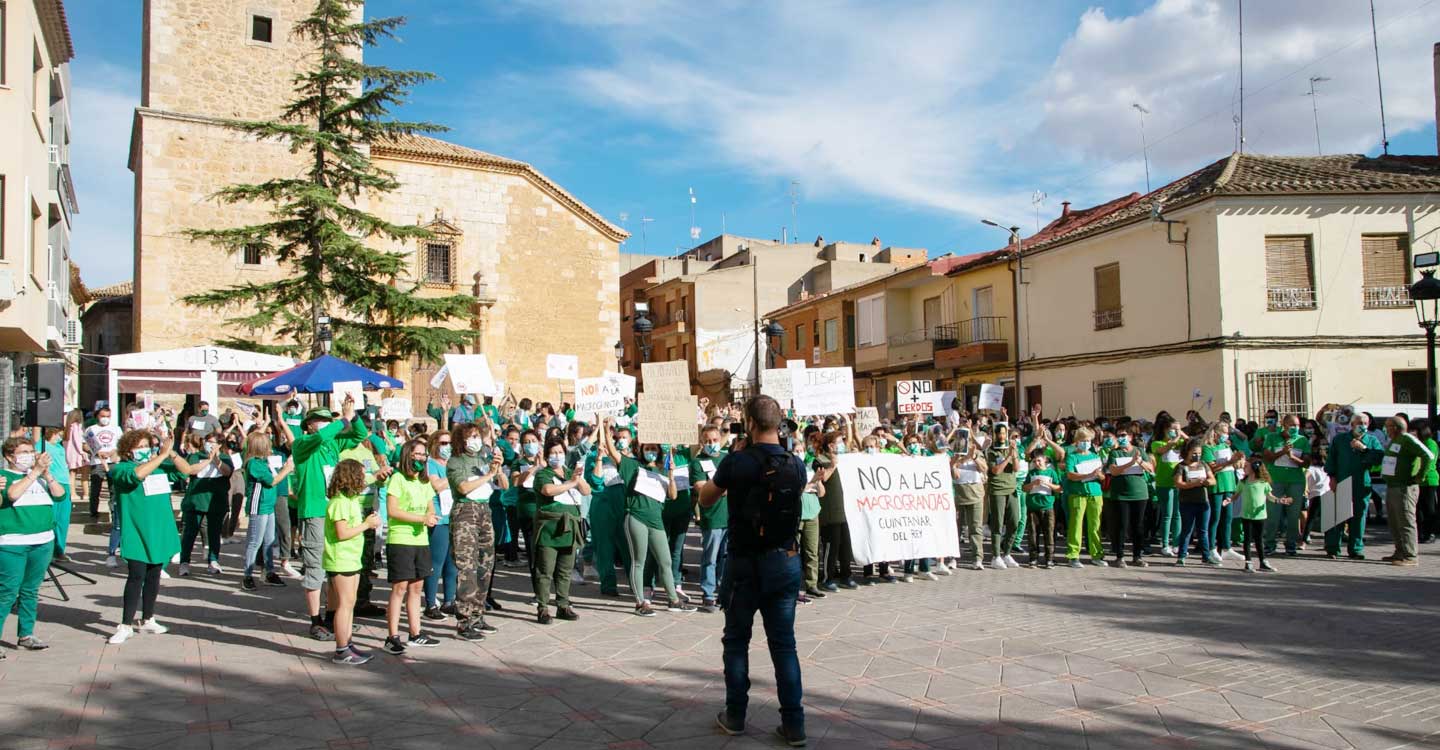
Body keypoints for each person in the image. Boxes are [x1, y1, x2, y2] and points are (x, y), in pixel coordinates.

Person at [699, 395, 806, 747]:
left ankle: (736, 715)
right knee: (784, 645)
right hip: (785, 560)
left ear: (749, 422)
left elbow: (706, 499)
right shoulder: (796, 463)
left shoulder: (736, 462)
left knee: (736, 641)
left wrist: (736, 458)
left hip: (745, 562)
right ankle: (794, 725)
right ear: (779, 424)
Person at [599, 421, 694, 616]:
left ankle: (673, 600)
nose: (651, 451)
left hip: (656, 521)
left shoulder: (661, 469)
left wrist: (670, 473)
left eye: (654, 448)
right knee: (639, 561)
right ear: (641, 449)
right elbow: (613, 452)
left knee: (665, 561)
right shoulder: (632, 465)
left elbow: (673, 495)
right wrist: (605, 428)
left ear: (658, 451)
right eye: (647, 448)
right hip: (636, 518)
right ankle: (641, 602)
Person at [291, 399, 367, 641]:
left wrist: (352, 416)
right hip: (315, 511)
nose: (326, 423)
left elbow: (360, 434)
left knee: (335, 566)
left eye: (328, 419)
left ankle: (333, 616)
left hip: (335, 509)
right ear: (310, 424)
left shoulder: (334, 442)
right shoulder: (303, 444)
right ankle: (315, 620)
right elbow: (322, 437)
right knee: (315, 566)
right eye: (321, 420)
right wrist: (341, 420)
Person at [107, 430, 184, 644]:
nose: (144, 450)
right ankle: (125, 625)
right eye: (139, 446)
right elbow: (137, 475)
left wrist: (171, 452)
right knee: (136, 576)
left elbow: (185, 472)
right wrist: (160, 456)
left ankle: (148, 618)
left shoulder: (158, 467)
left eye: (146, 445)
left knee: (154, 575)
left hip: (158, 531)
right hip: (136, 532)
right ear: (128, 450)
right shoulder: (121, 469)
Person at [1, 437, 65, 653]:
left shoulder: (39, 477)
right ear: (10, 456)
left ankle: (26, 634)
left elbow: (59, 495)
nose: (29, 455)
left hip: (42, 541)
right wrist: (35, 472)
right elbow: (12, 494)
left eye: (31, 451)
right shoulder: (5, 477)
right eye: (24, 451)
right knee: (7, 591)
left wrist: (46, 474)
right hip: (13, 543)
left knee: (30, 590)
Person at [445, 421, 504, 641]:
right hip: (465, 513)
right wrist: (489, 474)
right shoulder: (455, 462)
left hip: (484, 511)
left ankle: (479, 614)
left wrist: (498, 468)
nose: (476, 440)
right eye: (471, 436)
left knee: (485, 565)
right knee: (467, 566)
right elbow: (463, 487)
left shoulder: (484, 460)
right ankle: (464, 620)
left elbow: (504, 485)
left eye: (478, 436)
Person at [383, 438, 442, 654]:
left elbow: (429, 507)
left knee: (416, 587)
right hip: (401, 539)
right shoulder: (398, 479)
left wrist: (431, 516)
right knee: (399, 588)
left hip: (421, 540)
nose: (421, 458)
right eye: (417, 454)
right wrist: (420, 519)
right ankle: (392, 636)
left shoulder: (424, 482)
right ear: (408, 455)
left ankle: (415, 633)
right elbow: (393, 510)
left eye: (423, 454)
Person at [324, 459, 379, 665]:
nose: (364, 480)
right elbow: (342, 532)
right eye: (361, 476)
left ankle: (347, 643)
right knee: (344, 605)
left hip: (352, 558)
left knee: (350, 603)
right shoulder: (339, 502)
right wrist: (366, 524)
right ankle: (341, 649)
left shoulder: (351, 500)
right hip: (341, 559)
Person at [532, 438, 590, 623]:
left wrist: (577, 479)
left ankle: (563, 605)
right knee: (545, 570)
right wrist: (571, 483)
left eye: (560, 452)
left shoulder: (569, 472)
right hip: (550, 529)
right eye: (554, 453)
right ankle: (543, 607)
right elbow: (548, 490)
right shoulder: (544, 474)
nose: (558, 456)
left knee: (565, 570)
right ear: (547, 456)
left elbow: (587, 491)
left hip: (569, 528)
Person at [1324, 411, 1383, 560]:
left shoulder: (1372, 440)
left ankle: (1356, 548)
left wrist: (1363, 449)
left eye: (1364, 423)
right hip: (1342, 479)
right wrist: (1332, 477)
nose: (1361, 426)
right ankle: (1332, 548)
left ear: (1368, 424)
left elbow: (1378, 458)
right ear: (1352, 425)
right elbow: (1331, 459)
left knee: (1359, 516)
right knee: (1338, 515)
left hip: (1361, 482)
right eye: (1358, 423)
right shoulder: (1340, 439)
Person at [241, 431, 296, 590]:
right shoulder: (254, 464)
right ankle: (247, 575)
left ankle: (269, 572)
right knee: (255, 542)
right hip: (259, 507)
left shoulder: (264, 462)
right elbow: (272, 481)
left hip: (268, 505)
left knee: (269, 540)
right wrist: (287, 469)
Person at [175, 432, 233, 576]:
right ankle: (184, 562)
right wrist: (208, 460)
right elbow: (191, 470)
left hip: (216, 503)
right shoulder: (195, 456)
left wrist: (216, 459)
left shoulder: (225, 458)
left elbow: (227, 472)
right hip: (196, 501)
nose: (209, 444)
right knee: (190, 533)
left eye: (213, 442)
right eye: (207, 441)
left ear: (219, 444)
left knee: (213, 534)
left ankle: (213, 560)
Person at [1380, 416, 1433, 567]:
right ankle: (1399, 551)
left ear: (1395, 427)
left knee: (1406, 521)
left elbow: (1428, 455)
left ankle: (1410, 555)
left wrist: (1420, 475)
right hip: (1392, 486)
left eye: (1388, 426)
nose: (1386, 429)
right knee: (1395, 521)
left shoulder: (1407, 438)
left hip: (1405, 488)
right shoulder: (1394, 440)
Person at [691, 424, 731, 611]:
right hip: (712, 518)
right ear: (702, 442)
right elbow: (701, 487)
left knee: (726, 556)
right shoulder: (698, 462)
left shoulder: (727, 458)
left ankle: (723, 590)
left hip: (730, 517)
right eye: (707, 441)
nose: (711, 444)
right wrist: (723, 488)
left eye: (715, 440)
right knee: (710, 557)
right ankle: (708, 593)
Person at [1260, 415, 1309, 556]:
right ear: (1284, 425)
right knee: (1273, 514)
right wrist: (1283, 451)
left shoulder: (1302, 440)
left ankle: (1291, 544)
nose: (1295, 428)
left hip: (1296, 481)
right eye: (1292, 425)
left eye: (1297, 425)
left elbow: (1306, 462)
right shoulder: (1272, 437)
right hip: (1275, 480)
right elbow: (1267, 457)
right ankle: (1269, 544)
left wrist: (1292, 457)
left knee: (1293, 515)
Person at [422, 431, 457, 621]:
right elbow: (436, 485)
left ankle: (449, 600)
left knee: (452, 562)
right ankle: (430, 603)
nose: (447, 446)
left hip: (454, 515)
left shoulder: (452, 463)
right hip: (439, 516)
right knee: (437, 561)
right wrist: (456, 475)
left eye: (450, 443)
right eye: (443, 442)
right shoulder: (430, 464)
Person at [1106, 426, 1152, 567]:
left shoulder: (1140, 451)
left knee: (1138, 526)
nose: (1121, 438)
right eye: (1119, 435)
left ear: (1130, 437)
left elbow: (1150, 469)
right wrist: (1130, 463)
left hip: (1139, 494)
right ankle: (1119, 556)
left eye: (1124, 435)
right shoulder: (1115, 453)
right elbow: (1113, 471)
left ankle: (1137, 556)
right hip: (1121, 495)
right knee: (1122, 525)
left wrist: (1140, 462)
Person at [1063, 427, 1107, 569]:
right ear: (1077, 441)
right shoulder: (1072, 456)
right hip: (1078, 494)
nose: (1086, 443)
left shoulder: (1095, 456)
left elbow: (1102, 476)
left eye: (1088, 440)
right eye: (1083, 440)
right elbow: (1070, 475)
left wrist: (1099, 476)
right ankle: (1073, 555)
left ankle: (1097, 554)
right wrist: (1087, 475)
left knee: (1095, 525)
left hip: (1095, 494)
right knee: (1076, 525)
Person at [1172, 438, 1218, 566]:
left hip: (1203, 502)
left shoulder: (1203, 464)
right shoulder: (1181, 466)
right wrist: (1194, 484)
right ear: (1187, 452)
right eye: (1194, 453)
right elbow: (1178, 483)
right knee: (1186, 530)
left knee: (1203, 530)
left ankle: (1206, 556)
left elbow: (1213, 480)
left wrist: (1208, 482)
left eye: (1199, 453)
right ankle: (1181, 556)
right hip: (1187, 502)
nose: (1197, 456)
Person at [1203, 422, 1243, 562]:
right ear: (1216, 432)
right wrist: (1229, 462)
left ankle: (1226, 547)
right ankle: (1211, 548)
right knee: (1215, 518)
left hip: (1229, 484)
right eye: (1224, 432)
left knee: (1228, 517)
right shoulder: (1207, 447)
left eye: (1227, 432)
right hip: (1217, 486)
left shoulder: (1226, 445)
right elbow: (1212, 467)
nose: (1226, 435)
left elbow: (1233, 462)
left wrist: (1238, 461)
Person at [1148, 416, 1186, 557]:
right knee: (1167, 514)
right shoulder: (1157, 443)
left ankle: (1176, 543)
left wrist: (1181, 432)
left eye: (1177, 429)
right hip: (1164, 483)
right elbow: (1164, 449)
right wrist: (1175, 439)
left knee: (1178, 514)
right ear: (1165, 430)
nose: (1175, 432)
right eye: (1172, 429)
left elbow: (1193, 443)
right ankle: (1165, 544)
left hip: (1179, 482)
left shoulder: (1180, 442)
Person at [986, 424, 1022, 569]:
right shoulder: (991, 451)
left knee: (1015, 521)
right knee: (998, 524)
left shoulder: (1012, 448)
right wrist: (1007, 457)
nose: (1002, 436)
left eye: (1004, 433)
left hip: (1011, 489)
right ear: (995, 434)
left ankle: (1006, 552)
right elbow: (996, 470)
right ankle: (996, 556)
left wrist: (1013, 455)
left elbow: (1016, 468)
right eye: (999, 433)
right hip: (997, 490)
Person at [951, 427, 987, 571]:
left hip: (976, 493)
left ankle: (977, 558)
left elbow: (984, 469)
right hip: (959, 494)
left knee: (975, 527)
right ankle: (953, 558)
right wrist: (964, 458)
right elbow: (954, 474)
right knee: (956, 528)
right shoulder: (953, 455)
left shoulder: (977, 453)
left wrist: (974, 457)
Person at [36, 426, 73, 561]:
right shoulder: (41, 444)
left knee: (63, 519)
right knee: (53, 518)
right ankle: (49, 550)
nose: (61, 435)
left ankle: (60, 549)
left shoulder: (59, 446)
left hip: (64, 483)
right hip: (51, 481)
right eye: (59, 432)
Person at [1238, 460, 1277, 572]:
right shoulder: (1243, 482)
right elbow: (1236, 495)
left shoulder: (1263, 483)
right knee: (1247, 539)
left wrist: (1279, 500)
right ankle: (1248, 562)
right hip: (1246, 515)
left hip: (1260, 515)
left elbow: (1270, 497)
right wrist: (1229, 500)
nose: (1244, 468)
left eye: (1246, 466)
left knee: (1259, 539)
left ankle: (1263, 562)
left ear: (1254, 469)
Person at [1021, 452, 1059, 568]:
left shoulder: (1051, 472)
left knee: (1049, 533)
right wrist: (1033, 484)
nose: (1037, 463)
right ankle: (1033, 558)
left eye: (1039, 461)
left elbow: (1059, 488)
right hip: (1033, 507)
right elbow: (1024, 488)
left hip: (1047, 506)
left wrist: (1049, 484)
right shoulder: (1032, 473)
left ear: (1045, 461)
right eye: (1035, 461)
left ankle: (1049, 559)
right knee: (1033, 533)